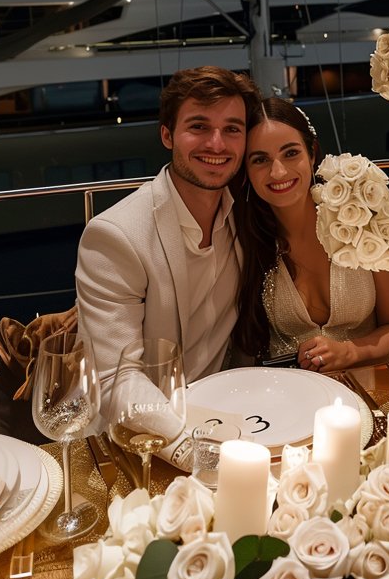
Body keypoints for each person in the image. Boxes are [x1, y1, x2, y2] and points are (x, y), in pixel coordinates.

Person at [75, 65, 261, 450]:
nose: (217, 144)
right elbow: (115, 379)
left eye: (232, 129)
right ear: (167, 135)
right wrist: (195, 450)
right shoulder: (116, 235)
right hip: (137, 439)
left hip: (227, 416)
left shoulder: (246, 214)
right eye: (198, 126)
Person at [232, 97, 389, 371]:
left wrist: (350, 352)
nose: (278, 172)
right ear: (246, 170)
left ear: (311, 154)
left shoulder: (361, 219)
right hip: (286, 391)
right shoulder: (245, 240)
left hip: (369, 387)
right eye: (260, 159)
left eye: (290, 153)